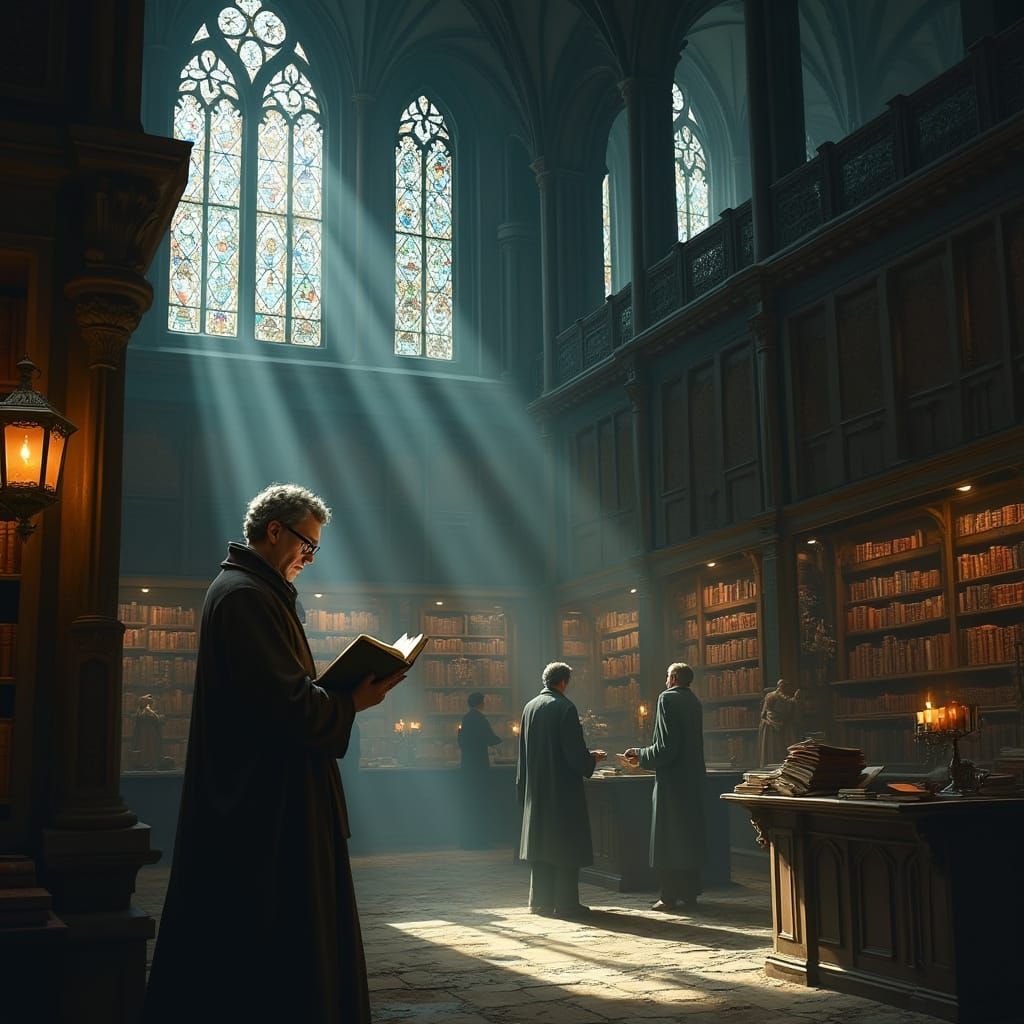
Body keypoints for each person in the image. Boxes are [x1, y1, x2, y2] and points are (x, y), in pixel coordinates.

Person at [143, 484, 404, 1024]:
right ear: (275, 530)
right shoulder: (246, 596)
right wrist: (351, 700)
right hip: (266, 806)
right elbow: (284, 705)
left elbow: (280, 693)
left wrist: (334, 697)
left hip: (272, 793)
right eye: (308, 545)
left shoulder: (256, 591)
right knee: (273, 946)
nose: (310, 558)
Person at [516, 662, 606, 918]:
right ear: (564, 682)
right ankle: (566, 903)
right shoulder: (565, 707)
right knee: (566, 847)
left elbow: (523, 753)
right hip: (561, 790)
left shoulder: (529, 707)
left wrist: (523, 787)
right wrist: (591, 759)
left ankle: (540, 902)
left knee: (541, 847)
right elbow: (573, 752)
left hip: (536, 791)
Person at [623, 662, 706, 912]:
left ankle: (668, 896)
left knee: (667, 839)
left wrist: (639, 754)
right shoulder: (694, 701)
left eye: (667, 676)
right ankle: (690, 894)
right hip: (693, 780)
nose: (665, 680)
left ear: (675, 678)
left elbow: (665, 748)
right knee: (688, 837)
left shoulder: (667, 698)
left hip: (672, 782)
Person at [458, 691, 501, 848]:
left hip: (467, 766)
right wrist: (501, 740)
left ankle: (468, 841)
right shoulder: (481, 719)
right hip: (479, 766)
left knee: (469, 804)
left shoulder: (465, 719)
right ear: (480, 703)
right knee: (481, 804)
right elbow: (490, 738)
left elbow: (461, 741)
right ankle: (480, 841)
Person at [758, 678, 801, 766]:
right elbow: (768, 711)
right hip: (772, 725)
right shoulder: (771, 696)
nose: (783, 688)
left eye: (785, 687)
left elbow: (789, 706)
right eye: (782, 686)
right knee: (772, 749)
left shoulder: (787, 698)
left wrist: (795, 700)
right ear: (779, 686)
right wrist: (775, 721)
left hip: (784, 726)